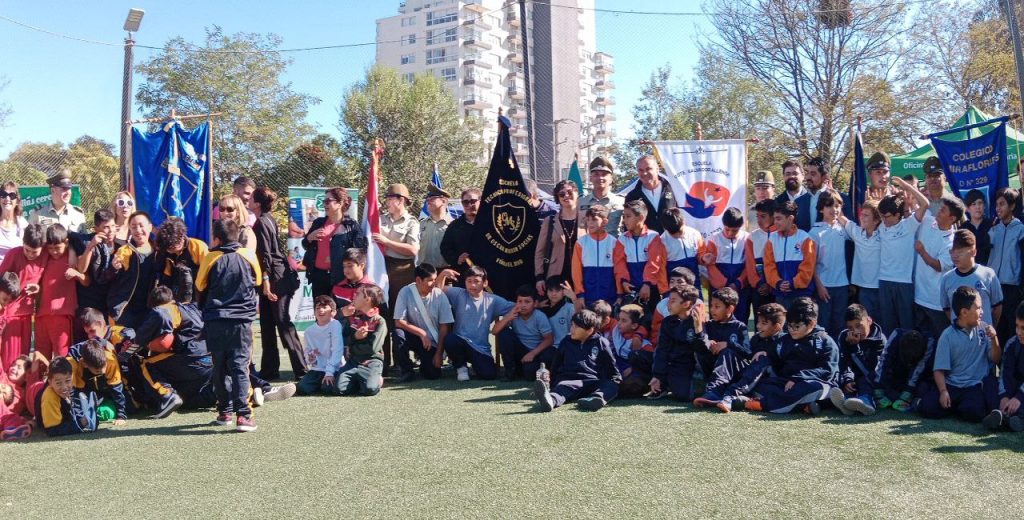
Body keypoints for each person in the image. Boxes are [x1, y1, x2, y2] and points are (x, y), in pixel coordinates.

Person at [195, 219, 262, 433]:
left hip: (215, 319)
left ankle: (224, 411)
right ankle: (244, 415)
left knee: (220, 365)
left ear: (216, 238)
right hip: (242, 320)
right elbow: (258, 280)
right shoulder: (248, 256)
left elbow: (199, 285)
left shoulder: (210, 257)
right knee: (240, 366)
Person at [128, 290, 218, 416]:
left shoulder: (166, 309)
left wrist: (134, 345)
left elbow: (161, 315)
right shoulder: (192, 307)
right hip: (209, 360)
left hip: (190, 359)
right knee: (185, 401)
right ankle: (218, 393)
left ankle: (167, 395)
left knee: (145, 363)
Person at [743, 297, 839, 415]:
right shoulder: (784, 339)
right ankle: (802, 407)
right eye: (789, 326)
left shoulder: (826, 341)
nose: (792, 330)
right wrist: (765, 354)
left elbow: (828, 370)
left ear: (812, 323)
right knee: (760, 385)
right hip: (785, 383)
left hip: (810, 382)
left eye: (797, 326)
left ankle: (761, 405)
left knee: (816, 388)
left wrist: (799, 377)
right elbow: (774, 360)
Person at [918, 286, 1000, 423]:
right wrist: (943, 391)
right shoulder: (947, 335)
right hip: (952, 385)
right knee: (928, 408)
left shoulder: (984, 329)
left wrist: (994, 338)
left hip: (974, 385)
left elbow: (996, 359)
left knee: (973, 412)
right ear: (964, 312)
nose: (982, 312)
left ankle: (959, 408)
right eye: (978, 308)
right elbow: (939, 370)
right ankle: (926, 401)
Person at [250, 187, 305, 381]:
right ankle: (269, 370)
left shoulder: (263, 222)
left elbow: (265, 254)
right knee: (266, 324)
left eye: (251, 198)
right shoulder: (266, 219)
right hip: (273, 276)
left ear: (257, 203)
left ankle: (301, 369)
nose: (248, 201)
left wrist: (266, 281)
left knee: (282, 322)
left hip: (276, 279)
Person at [435, 266, 514, 381]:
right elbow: (437, 291)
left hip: (480, 348)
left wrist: (536, 305)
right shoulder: (459, 294)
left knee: (489, 375)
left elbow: (516, 307)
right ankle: (461, 367)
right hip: (460, 341)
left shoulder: (493, 300)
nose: (472, 285)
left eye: (476, 281)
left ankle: (475, 366)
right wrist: (442, 275)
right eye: (469, 281)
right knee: (450, 339)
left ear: (485, 283)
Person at [534, 309, 622, 412]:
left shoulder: (602, 343)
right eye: (572, 325)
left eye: (576, 326)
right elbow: (556, 364)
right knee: (561, 389)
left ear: (590, 330)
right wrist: (550, 381)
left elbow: (613, 370)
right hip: (569, 381)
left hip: (592, 382)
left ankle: (595, 399)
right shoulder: (566, 341)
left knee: (611, 385)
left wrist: (615, 383)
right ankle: (550, 401)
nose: (572, 329)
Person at [712, 303, 787, 413]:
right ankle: (715, 391)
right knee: (729, 353)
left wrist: (767, 354)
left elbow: (785, 364)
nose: (758, 326)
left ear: (777, 326)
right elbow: (747, 353)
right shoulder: (757, 338)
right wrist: (729, 345)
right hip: (752, 380)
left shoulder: (785, 340)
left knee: (762, 359)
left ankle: (731, 395)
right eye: (758, 322)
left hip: (773, 381)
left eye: (764, 323)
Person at [376, 183, 420, 373]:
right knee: (380, 313)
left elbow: (412, 250)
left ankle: (402, 361)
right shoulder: (380, 219)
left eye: (390, 198)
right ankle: (382, 361)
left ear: (401, 200)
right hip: (381, 268)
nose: (387, 201)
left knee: (399, 315)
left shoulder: (411, 222)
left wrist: (387, 242)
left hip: (403, 270)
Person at [911, 186, 962, 341]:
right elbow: (922, 204)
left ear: (952, 218)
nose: (939, 211)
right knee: (920, 342)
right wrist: (909, 189)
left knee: (939, 342)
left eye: (943, 210)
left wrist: (922, 252)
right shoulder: (929, 221)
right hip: (918, 296)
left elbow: (939, 266)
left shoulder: (952, 242)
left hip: (936, 304)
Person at [877, 178, 927, 334]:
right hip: (885, 281)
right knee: (888, 326)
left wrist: (907, 187)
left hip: (904, 283)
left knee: (906, 326)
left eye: (887, 216)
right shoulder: (881, 226)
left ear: (898, 215)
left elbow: (925, 204)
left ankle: (908, 357)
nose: (883, 220)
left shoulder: (909, 225)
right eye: (882, 216)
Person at [392, 263, 453, 383]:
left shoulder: (440, 295)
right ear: (418, 280)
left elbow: (445, 326)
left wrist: (439, 353)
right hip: (414, 336)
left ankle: (424, 363)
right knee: (398, 334)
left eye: (435, 279)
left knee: (432, 374)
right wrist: (421, 333)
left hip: (432, 343)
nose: (434, 283)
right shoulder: (405, 292)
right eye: (430, 280)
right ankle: (406, 370)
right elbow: (398, 321)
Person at [302, 187, 366, 298]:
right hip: (318, 277)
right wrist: (310, 238)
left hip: (341, 278)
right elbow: (305, 244)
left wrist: (338, 257)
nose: (325, 204)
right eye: (324, 201)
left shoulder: (351, 226)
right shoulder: (318, 223)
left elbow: (359, 252)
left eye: (328, 201)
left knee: (339, 313)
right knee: (321, 311)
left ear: (340, 203)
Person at [692, 287, 750, 407]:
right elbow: (699, 348)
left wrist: (728, 344)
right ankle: (705, 387)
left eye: (717, 307)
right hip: (711, 370)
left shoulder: (739, 326)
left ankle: (713, 392)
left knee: (727, 352)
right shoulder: (709, 325)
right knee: (701, 349)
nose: (712, 310)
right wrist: (701, 334)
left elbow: (748, 352)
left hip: (735, 373)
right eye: (711, 306)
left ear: (730, 308)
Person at [648, 285, 706, 401]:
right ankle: (662, 382)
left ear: (686, 304)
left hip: (690, 365)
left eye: (673, 301)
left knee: (684, 395)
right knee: (639, 356)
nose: (668, 304)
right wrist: (657, 375)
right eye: (669, 300)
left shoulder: (699, 321)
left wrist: (699, 330)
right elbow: (662, 350)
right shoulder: (667, 322)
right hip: (673, 364)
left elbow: (702, 351)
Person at [829, 304, 887, 416]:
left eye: (859, 326)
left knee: (864, 381)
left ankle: (867, 403)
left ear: (869, 321)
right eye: (850, 328)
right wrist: (847, 379)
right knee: (837, 378)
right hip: (853, 376)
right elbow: (843, 362)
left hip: (872, 379)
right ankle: (846, 403)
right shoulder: (844, 336)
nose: (855, 331)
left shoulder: (880, 340)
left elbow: (870, 371)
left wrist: (854, 348)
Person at [0, 224, 45, 367]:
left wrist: (38, 288)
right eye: (27, 250)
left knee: (23, 359)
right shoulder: (13, 254)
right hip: (11, 314)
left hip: (29, 315)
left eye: (35, 252)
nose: (31, 254)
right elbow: (2, 280)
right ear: (22, 243)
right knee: (9, 358)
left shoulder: (45, 257)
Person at [36, 224, 83, 360]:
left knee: (61, 357)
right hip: (41, 315)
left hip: (62, 314)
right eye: (50, 248)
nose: (53, 251)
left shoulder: (71, 257)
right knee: (40, 357)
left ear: (66, 243)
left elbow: (76, 237)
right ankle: (39, 382)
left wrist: (72, 250)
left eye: (57, 248)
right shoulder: (45, 254)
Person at [941, 230, 1002, 332]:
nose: (955, 256)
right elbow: (947, 309)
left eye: (960, 252)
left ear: (973, 252)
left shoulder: (988, 274)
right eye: (952, 251)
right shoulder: (947, 278)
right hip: (960, 340)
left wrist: (990, 328)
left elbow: (997, 307)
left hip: (985, 339)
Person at [494, 284, 555, 381]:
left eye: (527, 302)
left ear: (535, 303)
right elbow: (495, 331)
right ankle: (510, 371)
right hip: (519, 350)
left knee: (529, 374)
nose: (523, 305)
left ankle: (526, 370)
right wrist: (508, 317)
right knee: (504, 333)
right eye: (519, 301)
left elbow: (549, 339)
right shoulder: (513, 314)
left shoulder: (539, 316)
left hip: (534, 352)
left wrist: (532, 354)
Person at [809, 191, 849, 339]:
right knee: (824, 325)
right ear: (821, 209)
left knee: (840, 325)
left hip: (842, 285)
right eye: (829, 206)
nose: (834, 210)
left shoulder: (843, 229)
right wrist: (819, 286)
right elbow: (811, 264)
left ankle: (840, 359)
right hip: (824, 286)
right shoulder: (814, 233)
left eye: (837, 206)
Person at [763, 200, 817, 310]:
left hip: (802, 295)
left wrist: (794, 283)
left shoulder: (805, 238)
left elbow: (808, 266)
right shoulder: (772, 239)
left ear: (790, 218)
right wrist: (777, 282)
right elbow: (768, 266)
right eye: (774, 218)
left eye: (779, 218)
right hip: (780, 295)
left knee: (801, 326)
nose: (775, 222)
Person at [107, 212, 158, 328]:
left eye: (141, 226)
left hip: (149, 309)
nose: (138, 230)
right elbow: (108, 277)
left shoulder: (157, 251)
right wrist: (114, 268)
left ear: (150, 227)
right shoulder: (125, 251)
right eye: (134, 227)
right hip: (125, 310)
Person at [336, 284, 387, 396]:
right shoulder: (352, 318)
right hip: (353, 361)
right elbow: (342, 340)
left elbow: (373, 348)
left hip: (372, 361)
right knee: (339, 389)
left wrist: (352, 349)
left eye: (358, 293)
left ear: (367, 299)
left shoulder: (379, 321)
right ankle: (360, 380)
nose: (354, 295)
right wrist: (355, 337)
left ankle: (377, 380)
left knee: (370, 389)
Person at [535, 180, 584, 294]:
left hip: (582, 275)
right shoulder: (550, 221)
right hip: (556, 275)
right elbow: (539, 252)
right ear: (558, 198)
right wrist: (539, 277)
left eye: (570, 192)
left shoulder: (586, 220)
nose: (566, 196)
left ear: (577, 193)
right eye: (562, 194)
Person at [988, 188, 1024, 343]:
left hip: (1012, 287)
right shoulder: (993, 229)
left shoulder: (1021, 230)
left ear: (1012, 206)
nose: (998, 208)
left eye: (1002, 204)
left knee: (1011, 328)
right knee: (997, 328)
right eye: (996, 204)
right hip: (994, 285)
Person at [66, 336, 128, 425]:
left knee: (130, 408)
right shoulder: (74, 364)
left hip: (104, 388)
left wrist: (121, 416)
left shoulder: (110, 359)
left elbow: (117, 389)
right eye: (97, 370)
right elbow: (75, 393)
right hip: (85, 388)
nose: (102, 371)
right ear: (85, 364)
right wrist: (80, 418)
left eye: (104, 366)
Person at [704, 207, 751, 321]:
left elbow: (749, 264)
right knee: (718, 316)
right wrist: (723, 284)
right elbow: (710, 266)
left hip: (740, 286)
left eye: (734, 230)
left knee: (740, 317)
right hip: (719, 286)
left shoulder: (747, 238)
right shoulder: (714, 238)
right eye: (727, 229)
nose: (730, 233)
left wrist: (738, 283)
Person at [838, 199, 882, 320]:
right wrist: (835, 196)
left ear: (877, 220)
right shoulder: (857, 232)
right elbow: (841, 217)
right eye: (861, 214)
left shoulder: (884, 234)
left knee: (881, 323)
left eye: (866, 215)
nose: (861, 217)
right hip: (863, 289)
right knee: (866, 322)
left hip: (881, 287)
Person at [32, 356, 96, 437]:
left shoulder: (64, 389)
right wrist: (81, 423)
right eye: (58, 383)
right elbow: (52, 430)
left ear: (72, 377)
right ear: (50, 382)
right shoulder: (49, 396)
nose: (64, 387)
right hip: (49, 423)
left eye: (68, 381)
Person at [613, 200, 661, 305]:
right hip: (630, 289)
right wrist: (624, 281)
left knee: (651, 319)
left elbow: (654, 263)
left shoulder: (653, 237)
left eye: (628, 216)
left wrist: (647, 284)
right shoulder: (622, 239)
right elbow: (619, 263)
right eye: (624, 216)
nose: (624, 220)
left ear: (640, 218)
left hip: (651, 288)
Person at [75, 209, 118, 324]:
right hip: (91, 302)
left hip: (111, 301)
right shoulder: (86, 243)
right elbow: (81, 269)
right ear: (96, 229)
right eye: (106, 227)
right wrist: (90, 246)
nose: (111, 231)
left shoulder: (120, 245)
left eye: (113, 226)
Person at [648, 207, 704, 295]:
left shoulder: (695, 234)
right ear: (665, 228)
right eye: (673, 233)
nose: (678, 235)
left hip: (693, 282)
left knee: (696, 306)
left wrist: (704, 258)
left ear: (683, 221)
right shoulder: (662, 242)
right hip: (674, 285)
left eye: (680, 231)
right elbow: (661, 269)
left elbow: (701, 254)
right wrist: (665, 291)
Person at [874, 329, 931, 412]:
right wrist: (878, 390)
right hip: (898, 371)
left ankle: (913, 400)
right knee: (886, 385)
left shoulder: (929, 341)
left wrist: (907, 395)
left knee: (924, 388)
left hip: (921, 377)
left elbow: (919, 368)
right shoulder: (896, 335)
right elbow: (884, 360)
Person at [297, 296, 345, 396]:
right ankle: (319, 384)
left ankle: (323, 384)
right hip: (318, 370)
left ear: (333, 312)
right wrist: (311, 357)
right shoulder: (309, 331)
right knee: (302, 388)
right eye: (317, 308)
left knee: (328, 389)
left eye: (324, 307)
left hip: (335, 368)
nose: (320, 310)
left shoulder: (335, 325)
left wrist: (329, 372)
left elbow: (337, 350)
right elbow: (307, 352)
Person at [571, 204, 617, 307]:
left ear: (605, 221)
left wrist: (619, 295)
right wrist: (580, 294)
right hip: (588, 298)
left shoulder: (614, 242)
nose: (590, 223)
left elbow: (618, 270)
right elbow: (576, 271)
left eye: (594, 220)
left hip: (610, 298)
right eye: (588, 220)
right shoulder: (581, 243)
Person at [154, 217, 208, 304]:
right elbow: (167, 277)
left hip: (197, 296)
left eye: (177, 243)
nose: (174, 248)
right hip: (176, 295)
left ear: (182, 235)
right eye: (170, 248)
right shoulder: (166, 253)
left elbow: (208, 274)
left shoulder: (197, 247)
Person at [991, 303, 1024, 431]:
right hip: (1013, 390)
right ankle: (1003, 416)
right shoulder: (1011, 344)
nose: (1019, 332)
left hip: (1021, 394)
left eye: (1023, 328)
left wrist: (1019, 397)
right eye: (1017, 326)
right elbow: (1004, 373)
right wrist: (1004, 396)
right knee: (989, 382)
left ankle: (1015, 419)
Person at [624, 155, 676, 233]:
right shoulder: (632, 196)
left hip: (673, 240)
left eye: (648, 169)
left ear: (657, 169)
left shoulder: (673, 189)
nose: (644, 173)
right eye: (640, 170)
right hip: (647, 243)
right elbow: (628, 224)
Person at [609, 303, 653, 396]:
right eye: (619, 319)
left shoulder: (645, 345)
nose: (619, 323)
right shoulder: (616, 331)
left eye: (624, 321)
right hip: (620, 369)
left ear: (634, 325)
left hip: (637, 373)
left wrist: (632, 369)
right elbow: (605, 321)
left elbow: (650, 366)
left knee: (632, 383)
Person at [440, 187, 481, 284]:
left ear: (481, 201)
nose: (469, 205)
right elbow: (445, 248)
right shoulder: (455, 226)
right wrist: (457, 259)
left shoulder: (490, 225)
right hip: (463, 277)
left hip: (485, 277)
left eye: (473, 201)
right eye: (465, 202)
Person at [744, 199, 776, 318]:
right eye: (757, 216)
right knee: (761, 322)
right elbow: (750, 265)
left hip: (776, 287)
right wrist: (759, 284)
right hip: (759, 289)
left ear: (773, 216)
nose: (759, 220)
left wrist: (771, 284)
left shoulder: (780, 234)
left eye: (763, 216)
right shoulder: (752, 237)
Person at [578, 157, 625, 235]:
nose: (600, 178)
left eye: (604, 174)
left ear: (611, 179)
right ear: (590, 178)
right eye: (596, 174)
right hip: (588, 245)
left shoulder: (621, 202)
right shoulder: (580, 202)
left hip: (614, 245)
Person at [419, 184, 453, 271]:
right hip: (424, 272)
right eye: (427, 199)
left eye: (433, 198)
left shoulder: (453, 225)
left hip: (446, 271)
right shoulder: (421, 224)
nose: (428, 201)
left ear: (444, 201)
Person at [773, 159, 811, 231]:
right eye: (788, 174)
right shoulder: (777, 202)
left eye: (795, 173)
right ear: (783, 177)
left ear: (803, 176)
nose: (791, 176)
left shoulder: (811, 199)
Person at [542, 275, 577, 346]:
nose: (554, 294)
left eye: (557, 290)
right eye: (550, 290)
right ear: (547, 292)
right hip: (546, 347)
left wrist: (574, 298)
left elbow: (580, 319)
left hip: (565, 347)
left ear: (564, 292)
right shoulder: (541, 308)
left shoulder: (570, 308)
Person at [961, 188, 992, 265]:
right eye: (973, 204)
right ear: (967, 208)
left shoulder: (992, 225)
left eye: (980, 203)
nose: (978, 207)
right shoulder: (963, 229)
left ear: (984, 205)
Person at [0, 181, 27, 264]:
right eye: (3, 194)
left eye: (12, 196)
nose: (7, 199)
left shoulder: (23, 224)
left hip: (14, 273)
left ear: (17, 201)